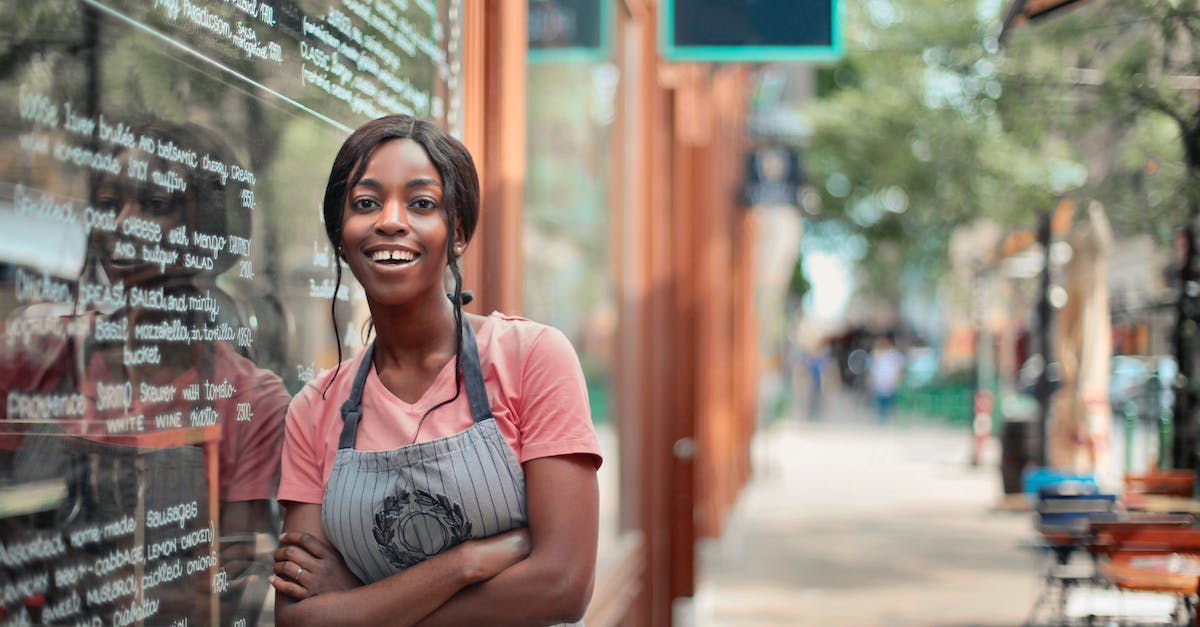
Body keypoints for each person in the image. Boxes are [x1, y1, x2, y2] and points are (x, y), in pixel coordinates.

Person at [272, 115, 602, 626]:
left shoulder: (533, 358)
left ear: (459, 233)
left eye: (422, 203)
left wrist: (362, 604)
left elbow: (562, 585)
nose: (390, 220)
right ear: (340, 235)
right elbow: (298, 619)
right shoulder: (313, 410)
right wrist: (464, 565)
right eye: (365, 203)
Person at [0, 120, 289, 624]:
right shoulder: (37, 353)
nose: (124, 223)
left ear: (208, 232)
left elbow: (234, 592)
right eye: (110, 204)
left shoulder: (249, 398)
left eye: (155, 204)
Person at [868, 336, 904, 424]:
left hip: (890, 382)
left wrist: (897, 379)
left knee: (889, 402)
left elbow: (899, 368)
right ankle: (881, 419)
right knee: (879, 402)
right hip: (879, 383)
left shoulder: (894, 355)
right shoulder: (875, 354)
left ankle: (889, 419)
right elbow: (872, 369)